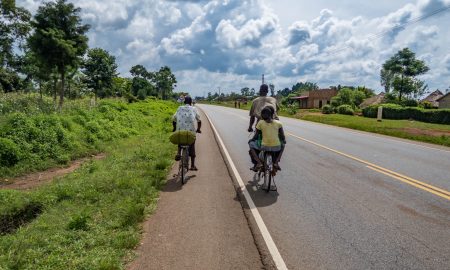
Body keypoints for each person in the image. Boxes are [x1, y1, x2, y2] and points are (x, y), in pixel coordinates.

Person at [248, 107, 286, 172]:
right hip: (276, 147)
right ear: (272, 114)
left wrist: (252, 140)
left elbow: (256, 135)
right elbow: (282, 136)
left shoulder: (260, 122)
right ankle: (276, 162)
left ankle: (259, 163)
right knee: (283, 145)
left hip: (264, 146)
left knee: (251, 144)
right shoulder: (278, 123)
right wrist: (283, 140)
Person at [172, 96, 201, 170]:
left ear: (184, 102)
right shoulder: (194, 109)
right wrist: (198, 129)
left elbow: (174, 119)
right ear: (191, 102)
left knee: (180, 138)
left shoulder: (179, 108)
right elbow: (199, 120)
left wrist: (174, 128)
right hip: (190, 132)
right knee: (192, 146)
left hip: (180, 131)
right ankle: (192, 165)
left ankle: (178, 152)